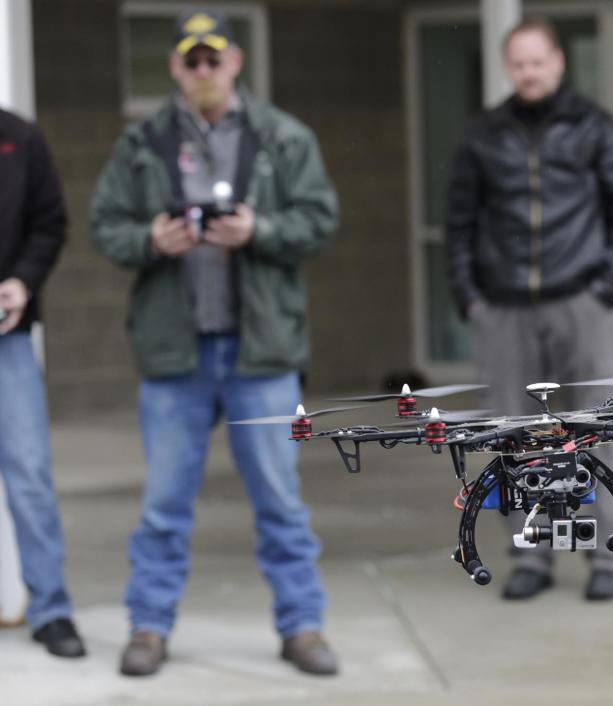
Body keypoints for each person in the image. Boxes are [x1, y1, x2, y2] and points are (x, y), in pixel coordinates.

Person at [90, 9, 339, 677]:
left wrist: (258, 229)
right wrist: (152, 240)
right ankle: (148, 626)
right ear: (175, 65)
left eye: (214, 58)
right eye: (190, 59)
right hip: (176, 354)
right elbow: (104, 223)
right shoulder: (143, 143)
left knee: (281, 502)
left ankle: (303, 624)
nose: (203, 70)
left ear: (236, 62)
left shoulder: (283, 137)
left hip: (262, 353)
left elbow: (319, 219)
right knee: (165, 504)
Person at [446, 18, 613, 601]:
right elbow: (459, 223)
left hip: (577, 300)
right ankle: (530, 556)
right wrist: (470, 299)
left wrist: (603, 290)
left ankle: (609, 554)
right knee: (515, 439)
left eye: (538, 61)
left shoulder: (594, 128)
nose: (529, 73)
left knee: (596, 429)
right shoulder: (483, 135)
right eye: (519, 63)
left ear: (558, 62)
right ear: (508, 68)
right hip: (503, 310)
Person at [0, 107, 86, 658]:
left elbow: (50, 223)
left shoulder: (20, 138)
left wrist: (22, 282)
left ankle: (51, 610)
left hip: (7, 339)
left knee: (29, 474)